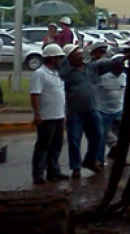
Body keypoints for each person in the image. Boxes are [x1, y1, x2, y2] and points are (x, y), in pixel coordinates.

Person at [60, 43, 102, 177]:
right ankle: (76, 167)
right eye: (76, 55)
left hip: (92, 108)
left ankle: (90, 160)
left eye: (80, 54)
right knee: (74, 140)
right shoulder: (66, 74)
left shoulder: (90, 68)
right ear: (69, 58)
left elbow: (109, 64)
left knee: (98, 136)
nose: (80, 57)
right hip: (75, 111)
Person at [30, 44, 68, 184]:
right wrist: (37, 113)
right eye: (59, 58)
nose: (61, 61)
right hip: (47, 116)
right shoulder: (40, 74)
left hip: (58, 115)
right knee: (43, 146)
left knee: (56, 145)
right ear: (52, 58)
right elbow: (35, 94)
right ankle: (38, 173)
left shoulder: (56, 74)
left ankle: (53, 171)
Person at [94, 53, 126, 163]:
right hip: (104, 111)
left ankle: (119, 156)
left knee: (122, 136)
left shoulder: (124, 77)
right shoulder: (102, 78)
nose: (121, 69)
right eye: (119, 66)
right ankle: (98, 159)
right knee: (102, 136)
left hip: (118, 110)